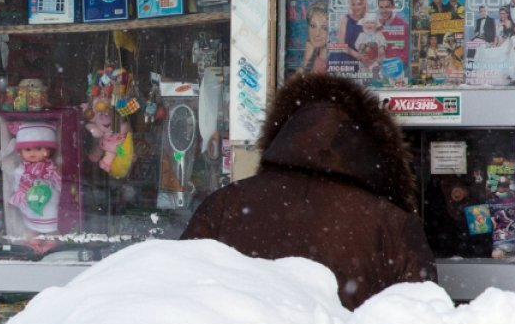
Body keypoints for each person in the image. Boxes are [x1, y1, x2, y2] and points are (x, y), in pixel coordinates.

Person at [181, 74, 436, 310]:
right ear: (375, 149)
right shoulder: (392, 226)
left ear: (283, 134)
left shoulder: (225, 205)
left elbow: (173, 294)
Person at [300, 2, 330, 74]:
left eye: (324, 28)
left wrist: (305, 62)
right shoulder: (312, 53)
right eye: (313, 26)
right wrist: (306, 60)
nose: (317, 33)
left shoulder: (329, 61)